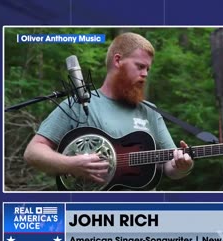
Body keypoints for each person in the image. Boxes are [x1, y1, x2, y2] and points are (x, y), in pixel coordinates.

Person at [24, 32, 194, 190]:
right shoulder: (78, 104)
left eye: (147, 69)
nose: (145, 74)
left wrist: (182, 167)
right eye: (140, 66)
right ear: (118, 60)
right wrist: (71, 164)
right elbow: (33, 152)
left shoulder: (150, 111)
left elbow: (170, 165)